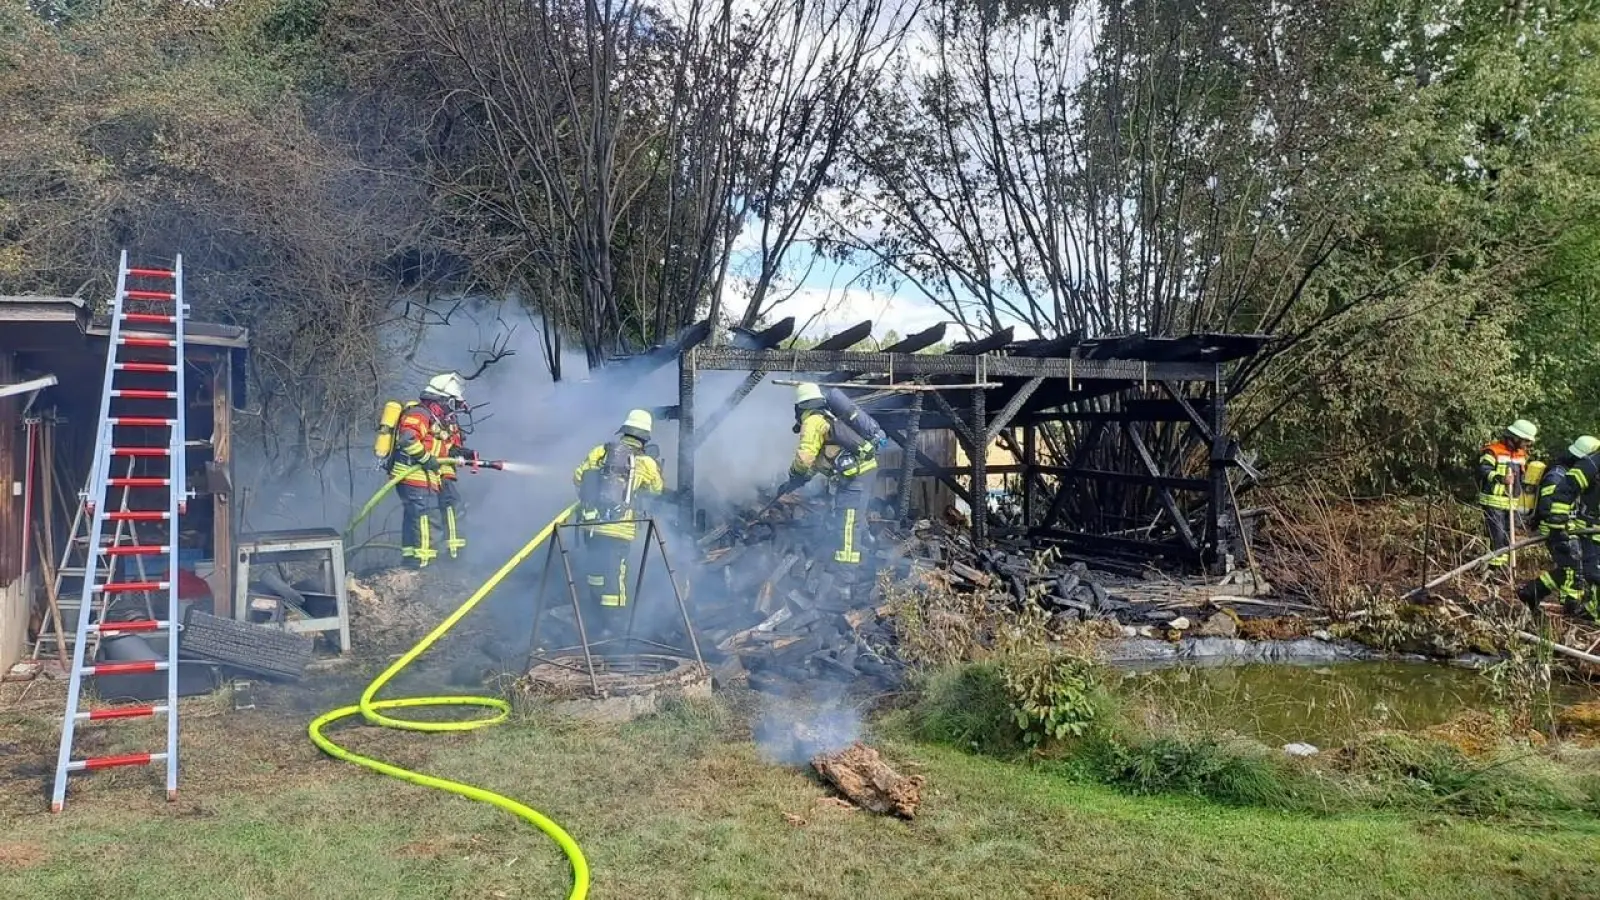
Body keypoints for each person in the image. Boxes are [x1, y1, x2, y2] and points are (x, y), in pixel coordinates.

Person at [572, 409, 664, 631]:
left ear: (624, 431)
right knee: (616, 576)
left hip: (592, 526)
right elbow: (657, 490)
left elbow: (578, 477)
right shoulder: (646, 463)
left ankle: (594, 617)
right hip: (620, 529)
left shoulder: (600, 452)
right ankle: (615, 627)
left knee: (596, 571)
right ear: (644, 437)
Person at [787, 382, 879, 572]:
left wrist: (794, 474)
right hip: (863, 471)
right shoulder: (827, 417)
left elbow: (804, 458)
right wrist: (804, 478)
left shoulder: (812, 422)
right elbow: (823, 457)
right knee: (854, 516)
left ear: (800, 405)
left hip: (856, 476)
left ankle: (846, 573)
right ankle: (869, 551)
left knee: (847, 520)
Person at [387, 373, 464, 569]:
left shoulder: (435, 420)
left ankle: (412, 558)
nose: (451, 409)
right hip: (413, 474)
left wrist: (464, 453)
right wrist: (426, 458)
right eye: (451, 404)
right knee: (426, 517)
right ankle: (423, 564)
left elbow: (438, 447)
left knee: (418, 516)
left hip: (424, 476)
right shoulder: (420, 414)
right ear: (439, 401)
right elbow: (407, 439)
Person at [1516, 436, 1594, 613]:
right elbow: (1548, 507)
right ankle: (1570, 605)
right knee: (1573, 568)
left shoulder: (1568, 472)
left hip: (1567, 528)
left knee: (1571, 568)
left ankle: (1531, 592)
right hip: (1555, 529)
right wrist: (1561, 527)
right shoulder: (1558, 475)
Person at [1548, 437, 1600, 623]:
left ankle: (1593, 614)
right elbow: (1566, 488)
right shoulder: (1593, 463)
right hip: (1591, 531)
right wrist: (1558, 522)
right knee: (1594, 572)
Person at [1476, 419, 1538, 574]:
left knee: (1509, 537)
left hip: (1512, 502)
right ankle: (1494, 569)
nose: (1527, 445)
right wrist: (1500, 478)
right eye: (1526, 441)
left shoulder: (1521, 455)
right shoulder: (1493, 451)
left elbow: (1522, 476)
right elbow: (1482, 470)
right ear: (1515, 438)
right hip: (1493, 501)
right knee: (1496, 536)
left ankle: (1505, 568)